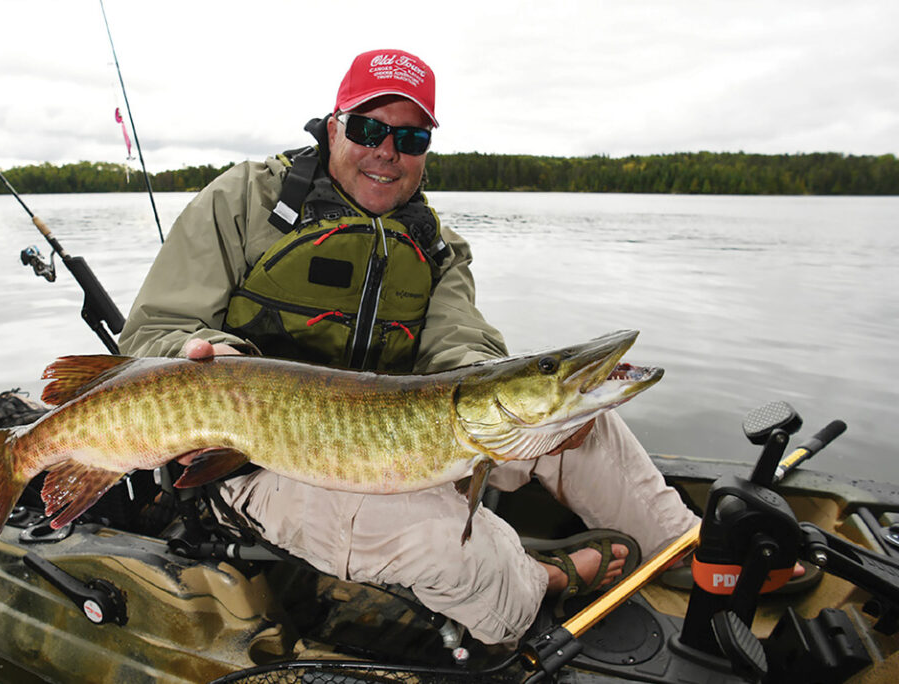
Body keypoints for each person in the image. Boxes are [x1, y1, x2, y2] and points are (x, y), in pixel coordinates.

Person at [118, 49, 699, 646]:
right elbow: (150, 333)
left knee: (582, 420)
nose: (387, 151)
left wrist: (516, 402)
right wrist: (218, 358)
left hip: (395, 437)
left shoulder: (436, 244)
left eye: (411, 137)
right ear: (334, 123)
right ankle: (544, 580)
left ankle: (690, 552)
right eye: (370, 128)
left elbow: (462, 346)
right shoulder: (245, 199)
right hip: (252, 459)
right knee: (448, 540)